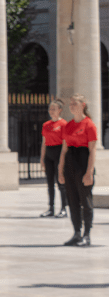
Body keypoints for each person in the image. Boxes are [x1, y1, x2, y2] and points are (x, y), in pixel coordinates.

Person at [59, 94, 98, 247]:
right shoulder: (67, 126)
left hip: (83, 162)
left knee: (85, 201)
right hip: (70, 162)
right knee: (72, 201)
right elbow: (63, 149)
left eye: (75, 103)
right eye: (71, 103)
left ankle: (87, 235)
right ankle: (76, 233)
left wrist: (89, 172)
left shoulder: (89, 125)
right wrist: (60, 171)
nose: (72, 106)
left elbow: (93, 150)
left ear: (83, 105)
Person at [40, 99, 68, 218]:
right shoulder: (46, 125)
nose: (51, 111)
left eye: (54, 109)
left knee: (61, 182)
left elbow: (65, 143)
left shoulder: (63, 124)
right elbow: (44, 142)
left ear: (60, 110)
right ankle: (50, 208)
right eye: (50, 109)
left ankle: (63, 208)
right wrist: (42, 158)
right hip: (49, 154)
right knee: (49, 183)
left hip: (59, 152)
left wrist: (62, 159)